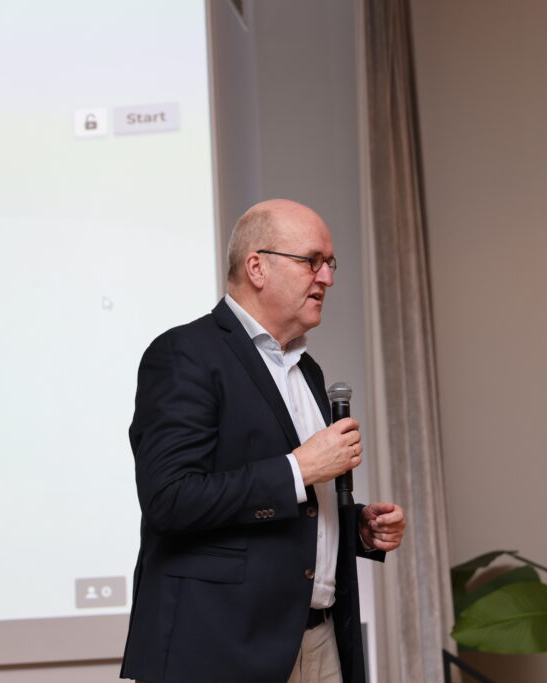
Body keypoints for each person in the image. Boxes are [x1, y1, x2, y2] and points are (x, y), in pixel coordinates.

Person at [120, 199, 406, 683]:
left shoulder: (307, 370)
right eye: (312, 260)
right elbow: (169, 499)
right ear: (257, 267)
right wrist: (300, 468)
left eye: (330, 263)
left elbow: (291, 509)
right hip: (222, 649)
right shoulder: (185, 354)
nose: (327, 278)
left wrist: (357, 527)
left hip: (319, 639)